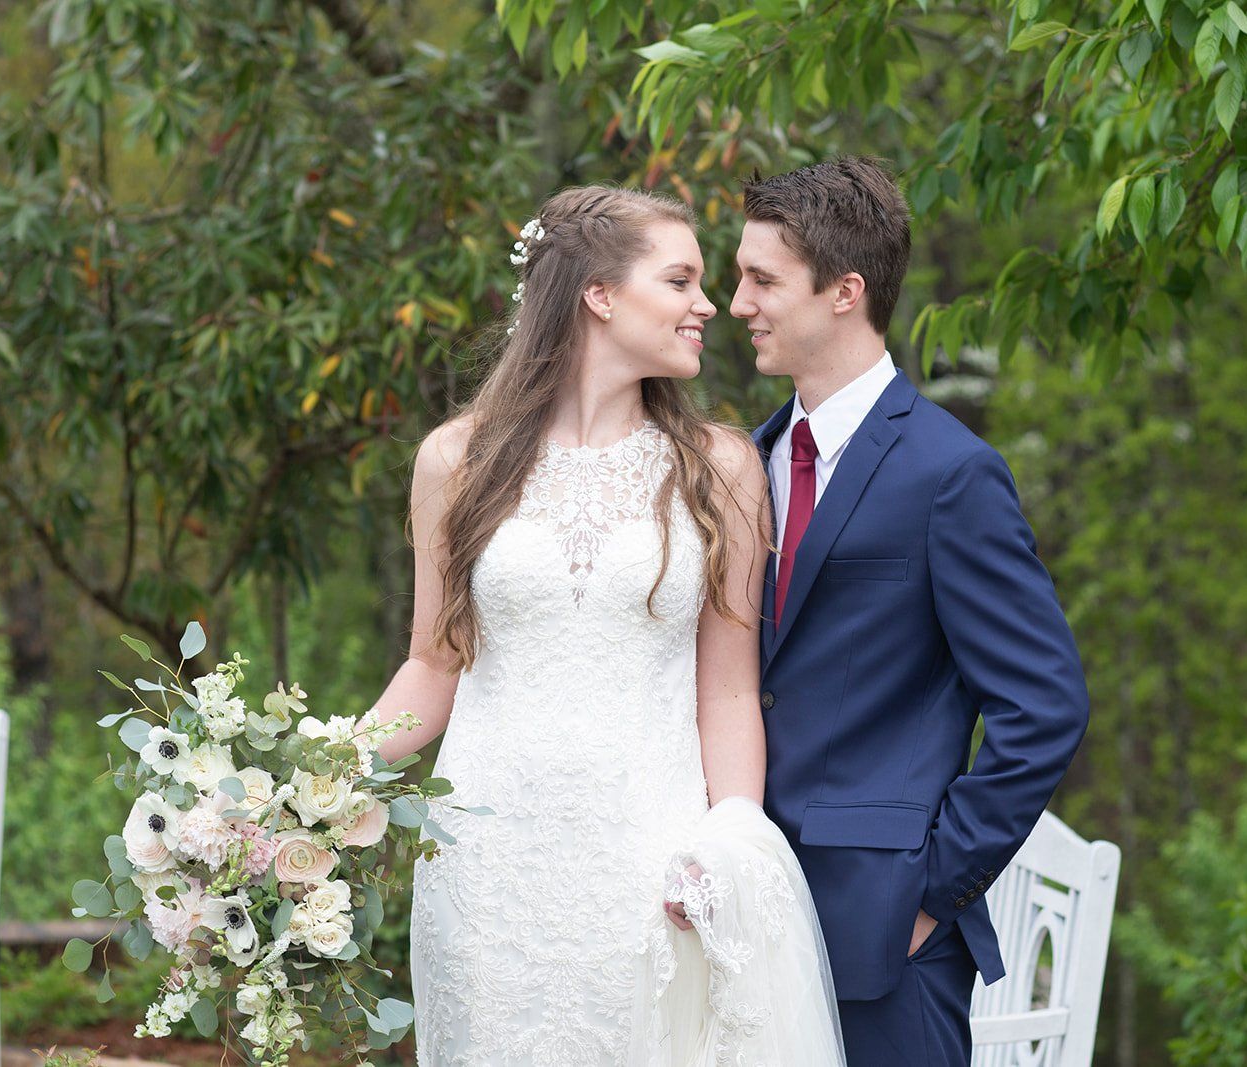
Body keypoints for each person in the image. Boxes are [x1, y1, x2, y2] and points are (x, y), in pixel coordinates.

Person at [368, 185, 843, 1066]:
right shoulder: (454, 460)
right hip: (485, 862)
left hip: (650, 857)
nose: (710, 305)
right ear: (599, 295)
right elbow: (432, 667)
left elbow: (730, 687)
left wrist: (729, 839)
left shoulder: (722, 468)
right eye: (681, 280)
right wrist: (317, 780)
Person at [731, 156, 1092, 1066]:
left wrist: (931, 894)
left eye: (762, 279)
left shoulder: (950, 473)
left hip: (887, 942)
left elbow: (1043, 704)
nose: (738, 303)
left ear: (845, 291)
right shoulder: (745, 464)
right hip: (742, 924)